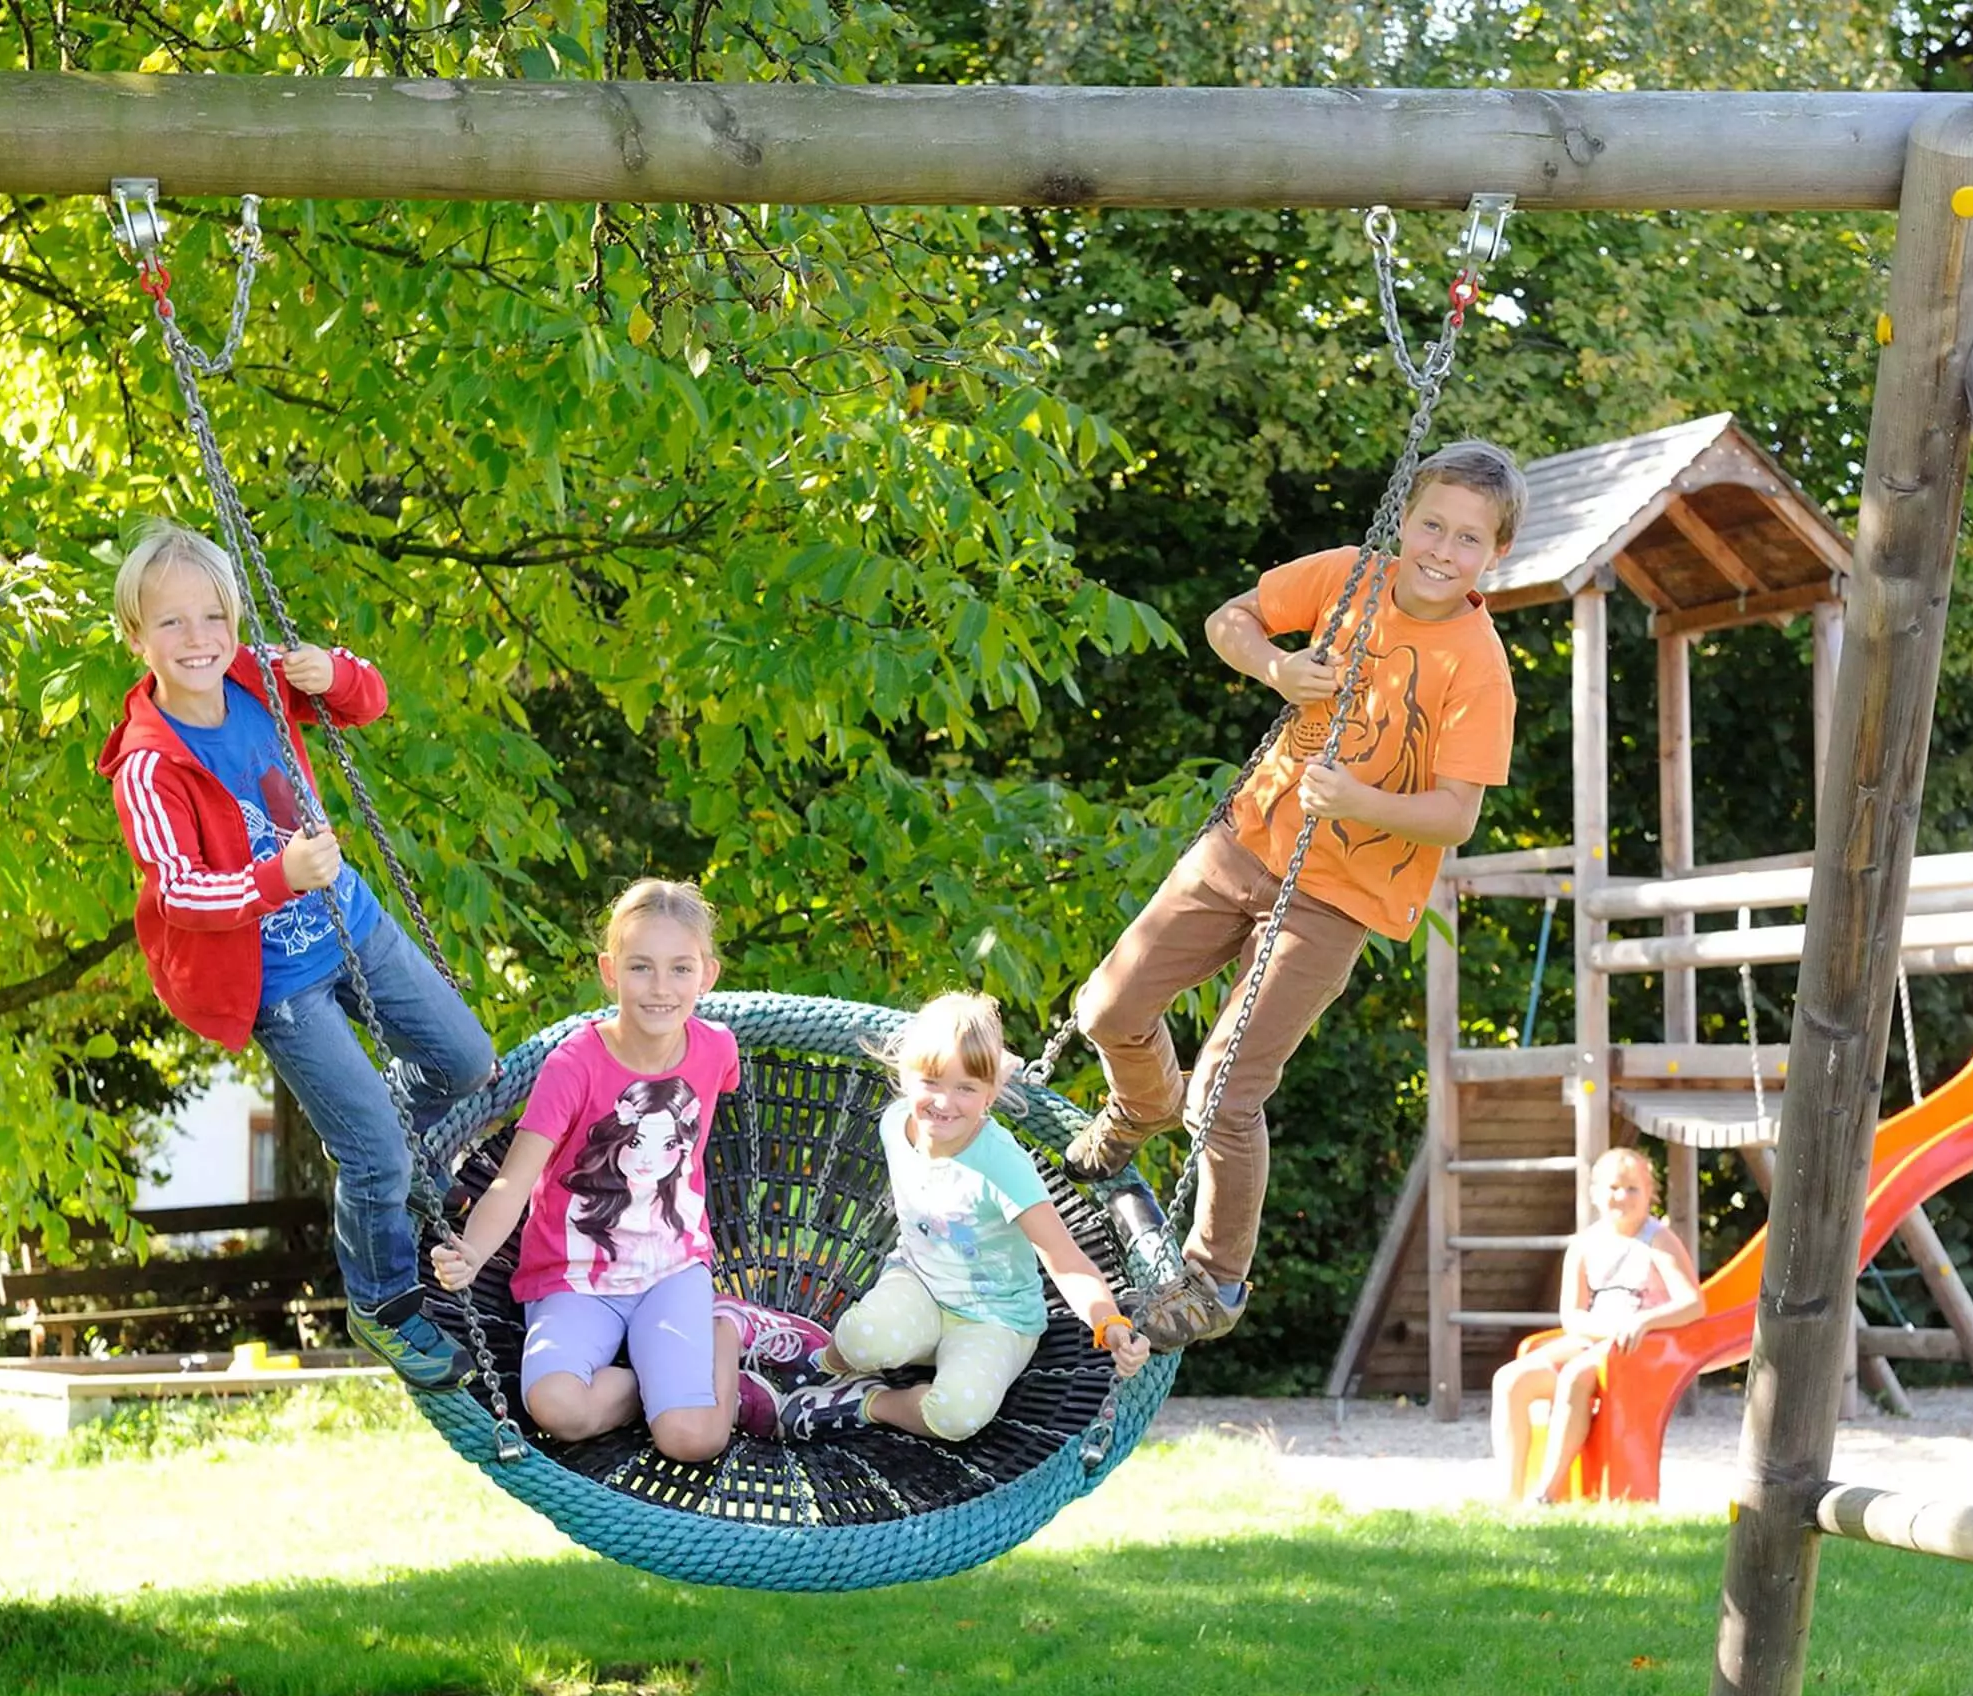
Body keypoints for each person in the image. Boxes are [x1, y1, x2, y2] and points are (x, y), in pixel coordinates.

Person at [1061, 441, 1529, 1342]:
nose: (1440, 548)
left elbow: (1457, 814)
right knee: (1107, 1007)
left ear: (1494, 556)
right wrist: (1275, 669)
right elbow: (1229, 619)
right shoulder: (1349, 578)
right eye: (1430, 522)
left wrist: (1361, 800)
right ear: (1406, 517)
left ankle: (1215, 1279)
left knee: (1228, 1092)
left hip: (1340, 897)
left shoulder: (1479, 665)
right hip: (1247, 840)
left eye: (1467, 538)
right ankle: (1139, 1106)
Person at [101, 520, 496, 1390]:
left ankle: (393, 1142)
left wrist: (336, 670)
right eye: (171, 624)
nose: (198, 639)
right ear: (137, 638)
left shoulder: (255, 674)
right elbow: (175, 893)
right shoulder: (147, 765)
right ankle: (385, 1303)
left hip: (351, 921)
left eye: (213, 617)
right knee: (373, 1159)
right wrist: (276, 876)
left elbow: (366, 699)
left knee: (469, 1065)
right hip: (275, 980)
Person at [429, 879, 744, 1462]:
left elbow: (716, 1094)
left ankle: (724, 1335)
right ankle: (645, 1387)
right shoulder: (574, 1065)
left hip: (671, 1273)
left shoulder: (715, 1050)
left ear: (708, 976)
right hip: (574, 1280)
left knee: (693, 1440)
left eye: (680, 970)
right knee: (557, 1406)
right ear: (609, 971)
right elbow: (515, 1179)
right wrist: (471, 1252)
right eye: (641, 967)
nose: (660, 988)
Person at [781, 993, 1150, 1443]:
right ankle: (822, 1366)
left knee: (956, 1415)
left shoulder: (1004, 1165)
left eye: (967, 1089)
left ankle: (866, 1403)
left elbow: (1065, 1259)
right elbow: (957, 1073)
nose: (944, 1103)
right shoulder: (896, 1123)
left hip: (996, 1320)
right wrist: (981, 1067)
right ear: (905, 1076)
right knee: (860, 1337)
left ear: (991, 1094)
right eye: (931, 1082)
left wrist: (1109, 1322)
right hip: (919, 1284)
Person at [1491, 1148, 1705, 1505]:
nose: (1622, 1197)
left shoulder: (1658, 1240)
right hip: (1598, 1339)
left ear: (1650, 1192)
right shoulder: (1584, 1244)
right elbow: (1571, 1316)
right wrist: (1605, 1330)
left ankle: (1547, 1492)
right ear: (1595, 1193)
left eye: (1633, 1189)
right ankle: (1511, 1496)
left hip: (1639, 1348)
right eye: (1613, 1188)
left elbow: (1693, 1304)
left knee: (1576, 1375)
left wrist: (1644, 1321)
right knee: (1511, 1380)